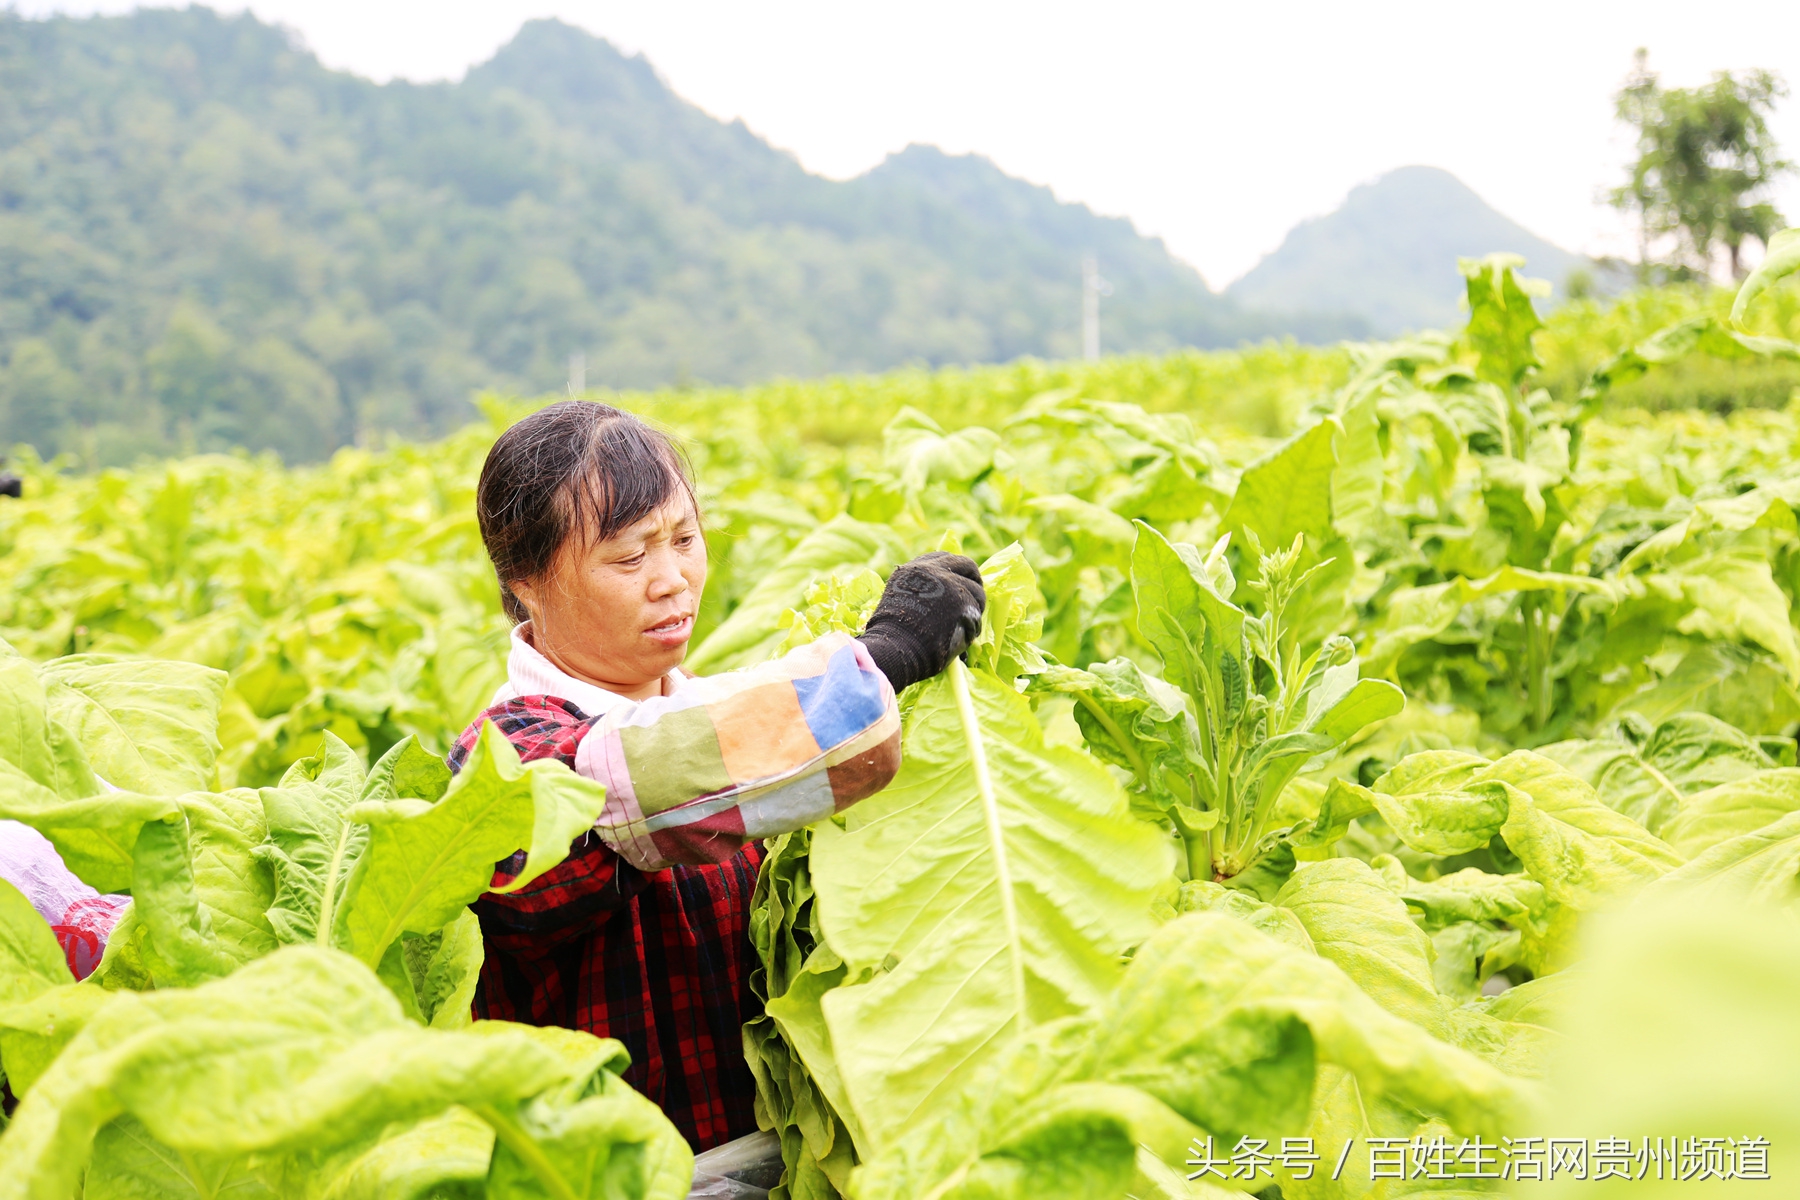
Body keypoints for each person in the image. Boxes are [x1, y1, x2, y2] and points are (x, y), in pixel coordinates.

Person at [448, 401, 985, 1151]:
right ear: (526, 581)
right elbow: (634, 783)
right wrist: (883, 658)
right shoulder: (504, 757)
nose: (672, 580)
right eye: (630, 558)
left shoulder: (721, 713)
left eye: (684, 539)